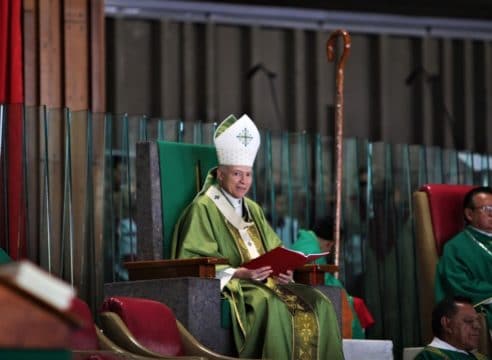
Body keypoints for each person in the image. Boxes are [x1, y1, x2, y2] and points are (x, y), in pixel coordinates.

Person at [171, 114, 344, 359]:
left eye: (248, 175)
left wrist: (286, 270)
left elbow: (275, 250)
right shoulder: (203, 208)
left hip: (267, 282)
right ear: (220, 174)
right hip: (238, 286)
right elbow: (192, 259)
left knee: (321, 303)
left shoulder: (253, 208)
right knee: (272, 305)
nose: (244, 182)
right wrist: (241, 273)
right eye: (237, 175)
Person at [291, 218, 374, 339]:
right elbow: (324, 283)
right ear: (329, 244)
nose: (330, 251)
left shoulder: (303, 242)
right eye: (332, 248)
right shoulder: (313, 251)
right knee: (344, 302)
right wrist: (347, 297)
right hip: (308, 300)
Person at [435, 186, 492, 333]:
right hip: (484, 307)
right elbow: (461, 286)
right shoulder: (455, 247)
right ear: (469, 214)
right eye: (487, 208)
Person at [415, 296, 487, 359]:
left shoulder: (478, 357)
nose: (478, 326)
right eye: (468, 321)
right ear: (447, 324)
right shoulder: (429, 357)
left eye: (477, 320)